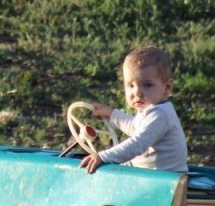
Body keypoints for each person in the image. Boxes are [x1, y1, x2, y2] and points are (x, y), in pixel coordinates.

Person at [79, 45, 188, 174]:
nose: (137, 92)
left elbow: (137, 144)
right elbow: (135, 127)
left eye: (147, 85)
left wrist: (103, 156)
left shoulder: (160, 115)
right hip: (147, 171)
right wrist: (112, 114)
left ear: (167, 87)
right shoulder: (152, 109)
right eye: (131, 85)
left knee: (102, 171)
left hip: (163, 177)